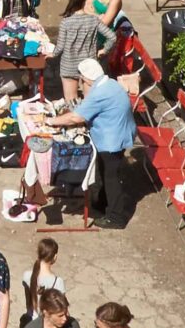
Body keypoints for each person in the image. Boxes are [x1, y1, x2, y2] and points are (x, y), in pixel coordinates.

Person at [48, 58, 139, 229]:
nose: (81, 84)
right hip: (120, 134)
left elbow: (77, 117)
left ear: (87, 79)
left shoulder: (100, 93)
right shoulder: (110, 84)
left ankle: (116, 217)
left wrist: (53, 121)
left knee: (111, 178)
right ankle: (103, 204)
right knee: (105, 173)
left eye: (81, 80)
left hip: (111, 140)